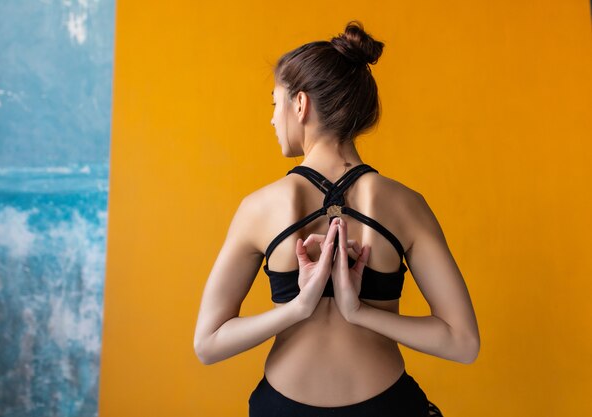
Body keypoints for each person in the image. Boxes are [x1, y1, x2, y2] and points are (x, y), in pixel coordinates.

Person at [194, 20, 480, 417]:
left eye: (274, 104)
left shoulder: (259, 208)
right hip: (387, 407)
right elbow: (462, 343)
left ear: (300, 103)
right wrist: (359, 312)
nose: (273, 120)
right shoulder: (406, 205)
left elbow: (208, 343)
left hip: (282, 408)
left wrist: (295, 309)